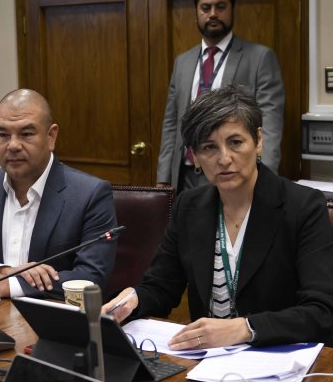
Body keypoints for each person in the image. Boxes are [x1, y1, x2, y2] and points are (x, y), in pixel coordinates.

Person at [104, 85, 333, 348]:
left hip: (277, 358)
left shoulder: (303, 207)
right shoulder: (189, 206)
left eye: (235, 142)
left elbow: (322, 311)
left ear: (258, 140)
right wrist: (134, 299)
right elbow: (162, 285)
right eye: (209, 147)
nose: (224, 159)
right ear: (195, 157)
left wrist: (245, 328)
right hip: (207, 362)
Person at [0, 89, 117, 299]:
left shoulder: (90, 194)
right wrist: (4, 272)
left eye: (26, 134)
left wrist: (11, 286)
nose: (12, 145)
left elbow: (92, 279)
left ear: (51, 136)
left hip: (50, 324)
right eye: (2, 134)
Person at [156, 0, 284, 192]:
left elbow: (270, 124)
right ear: (196, 13)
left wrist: (264, 178)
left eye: (220, 7)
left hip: (232, 171)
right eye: (206, 8)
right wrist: (163, 177)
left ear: (232, 10)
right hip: (186, 175)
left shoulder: (260, 58)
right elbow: (171, 123)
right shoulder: (183, 62)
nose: (213, 14)